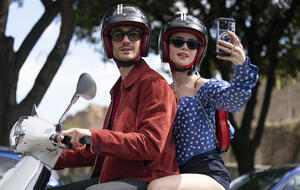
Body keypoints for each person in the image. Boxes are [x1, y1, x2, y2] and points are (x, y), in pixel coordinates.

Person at [50, 4, 179, 190]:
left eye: (133, 34)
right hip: (116, 178)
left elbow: (150, 144)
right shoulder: (119, 89)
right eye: (118, 35)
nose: (126, 40)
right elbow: (102, 151)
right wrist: (54, 158)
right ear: (109, 43)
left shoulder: (154, 85)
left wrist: (94, 136)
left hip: (146, 179)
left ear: (142, 41)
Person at [147, 13, 258, 190]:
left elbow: (235, 101)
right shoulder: (161, 92)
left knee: (157, 188)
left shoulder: (206, 88)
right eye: (178, 41)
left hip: (208, 174)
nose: (185, 47)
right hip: (172, 174)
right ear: (166, 46)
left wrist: (242, 66)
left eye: (192, 44)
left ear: (199, 50)